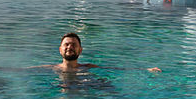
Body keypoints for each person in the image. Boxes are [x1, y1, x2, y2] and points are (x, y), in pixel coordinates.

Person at [32, 32, 160, 73]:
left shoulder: (87, 68)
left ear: (80, 50)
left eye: (73, 45)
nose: (69, 47)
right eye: (66, 44)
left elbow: (116, 69)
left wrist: (145, 69)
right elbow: (24, 70)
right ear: (60, 49)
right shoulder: (51, 69)